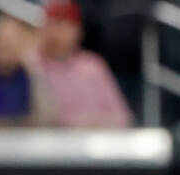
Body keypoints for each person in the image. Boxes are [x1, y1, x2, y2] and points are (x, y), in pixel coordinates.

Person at [31, 0, 132, 128]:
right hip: (49, 142)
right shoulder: (31, 64)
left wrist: (94, 124)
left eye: (64, 24)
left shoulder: (93, 66)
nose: (56, 31)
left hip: (93, 143)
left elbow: (122, 117)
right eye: (52, 23)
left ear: (77, 30)